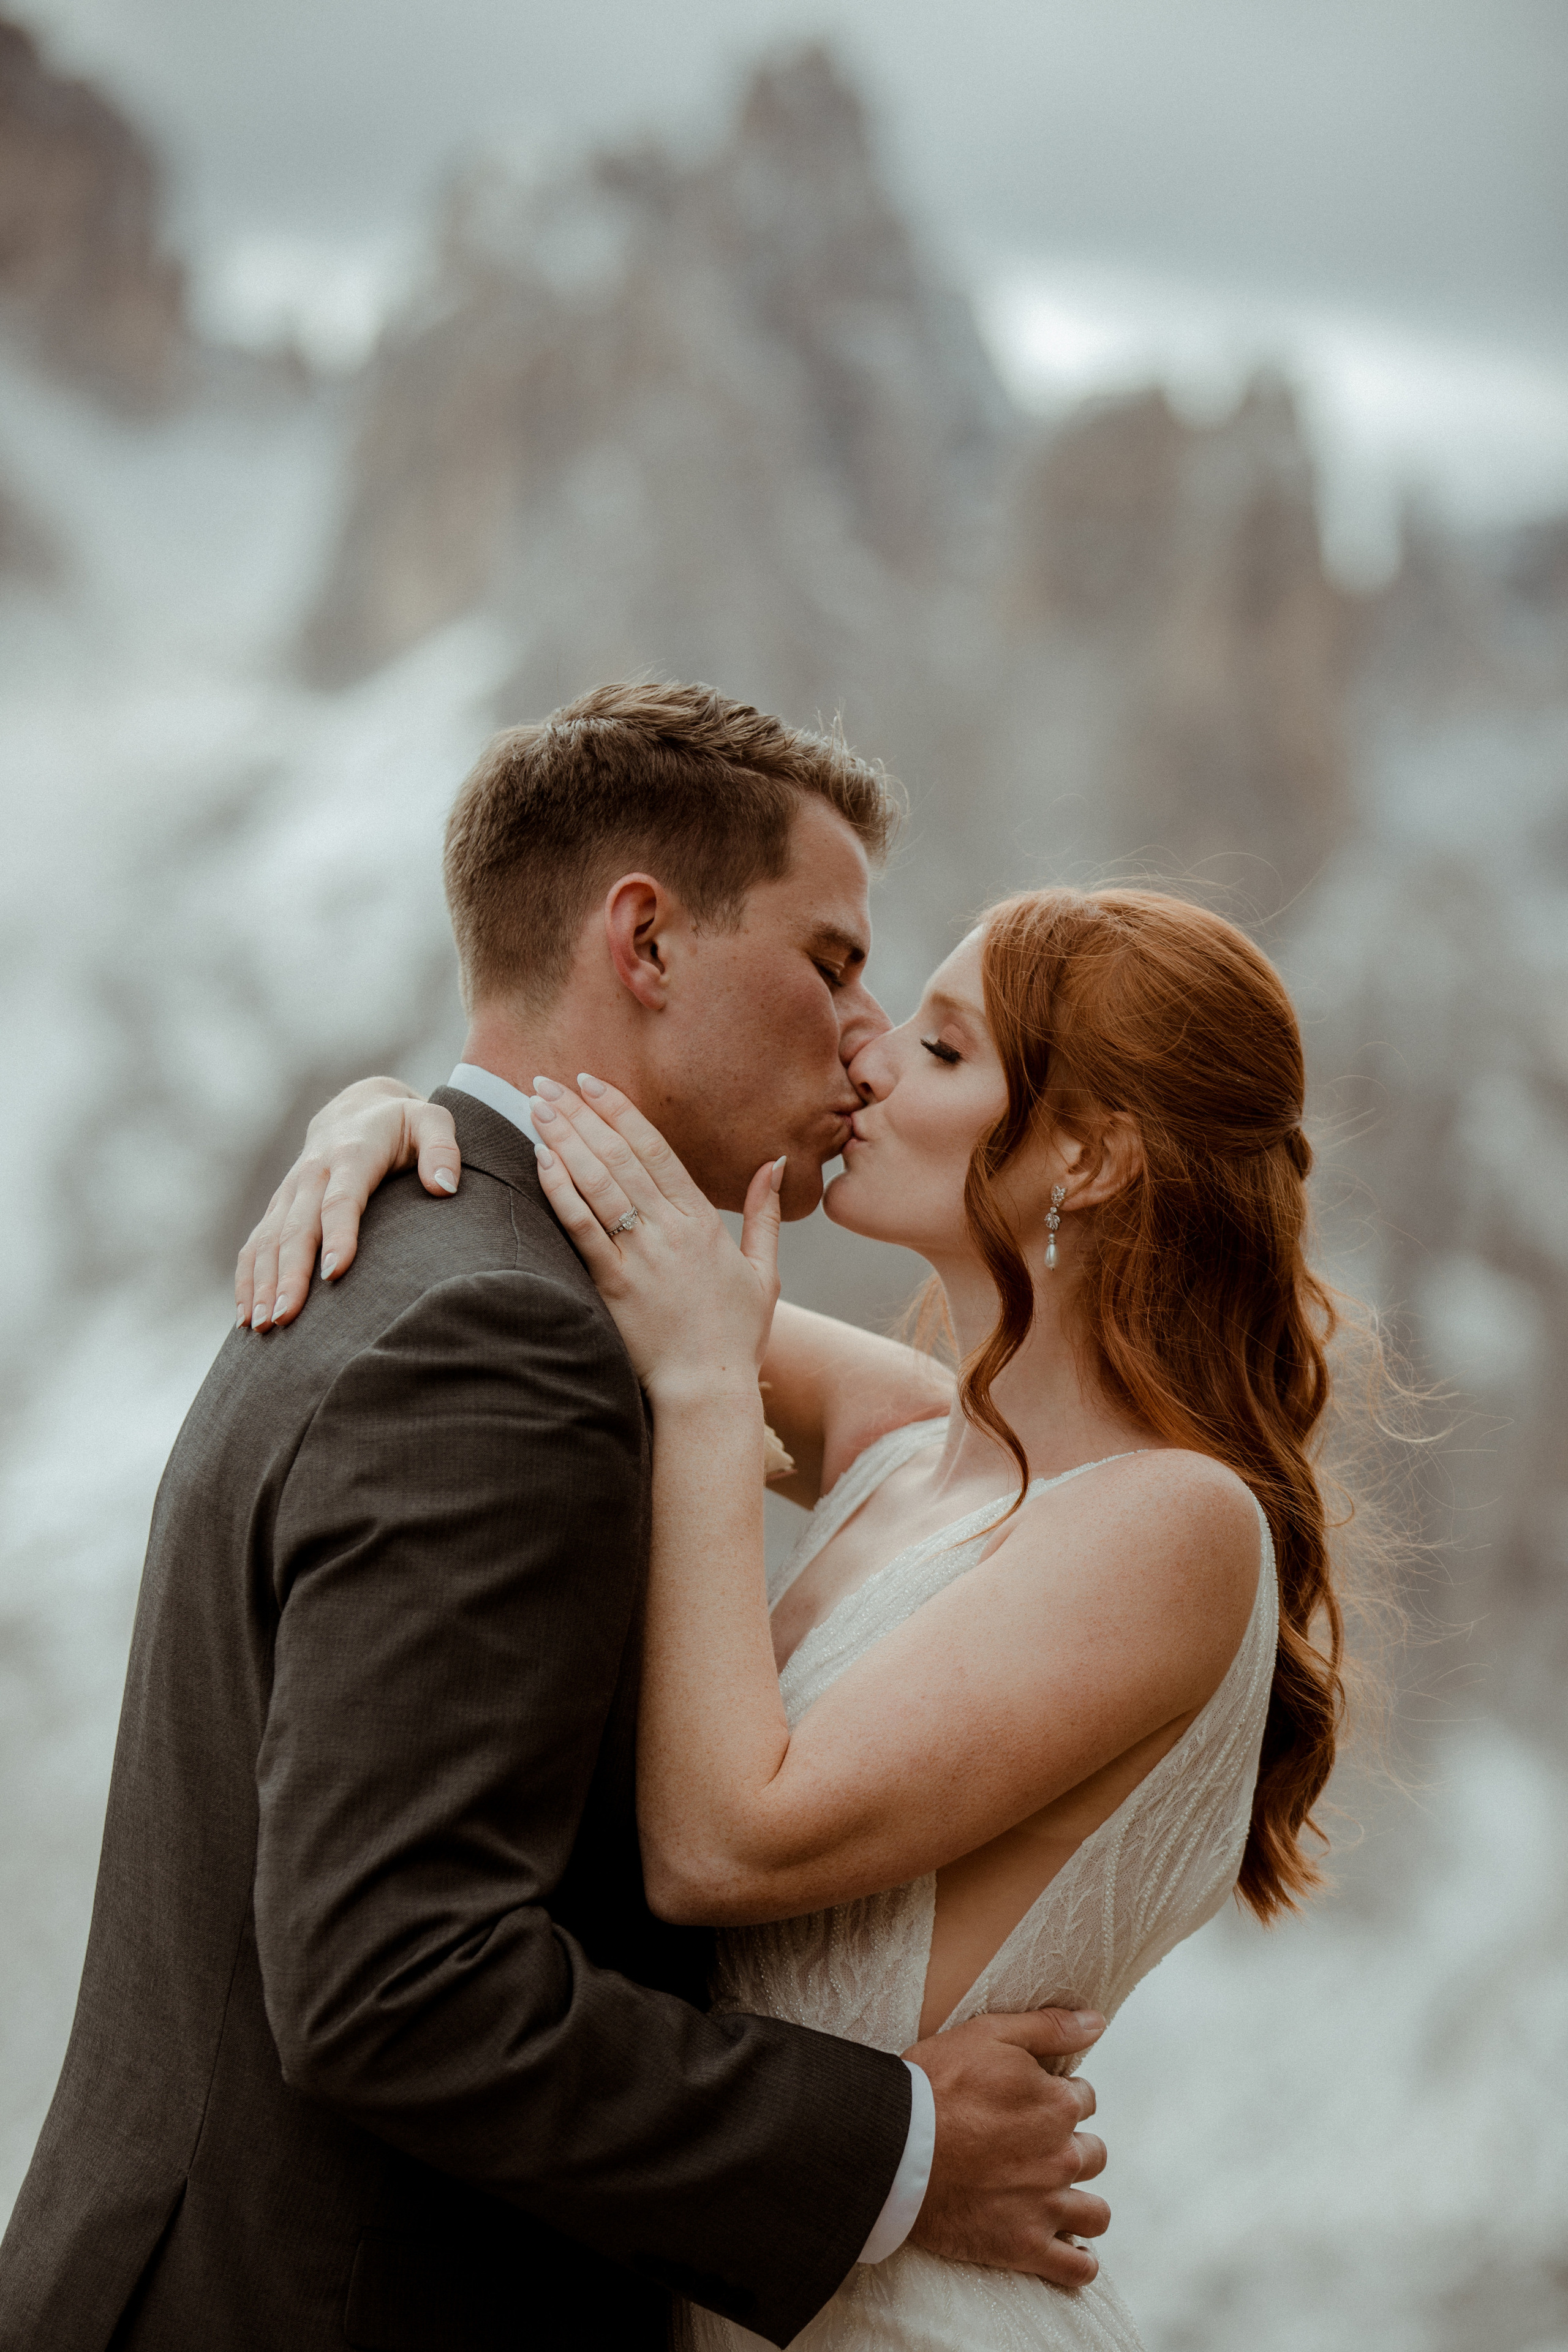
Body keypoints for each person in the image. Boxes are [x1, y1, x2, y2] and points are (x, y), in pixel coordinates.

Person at [0, 685, 1110, 2352]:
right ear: (644, 942)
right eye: (829, 963)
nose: (869, 1038)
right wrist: (901, 2146)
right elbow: (398, 1983)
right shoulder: (500, 1338)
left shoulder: (435, 1252)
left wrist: (379, 1101)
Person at [244, 872, 1358, 2350]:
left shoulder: (1176, 1524)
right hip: (744, 2284)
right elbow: (582, 1232)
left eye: (946, 1052)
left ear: (1086, 1158)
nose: (870, 1056)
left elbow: (718, 1846)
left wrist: (706, 1391)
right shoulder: (909, 1431)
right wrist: (384, 1115)